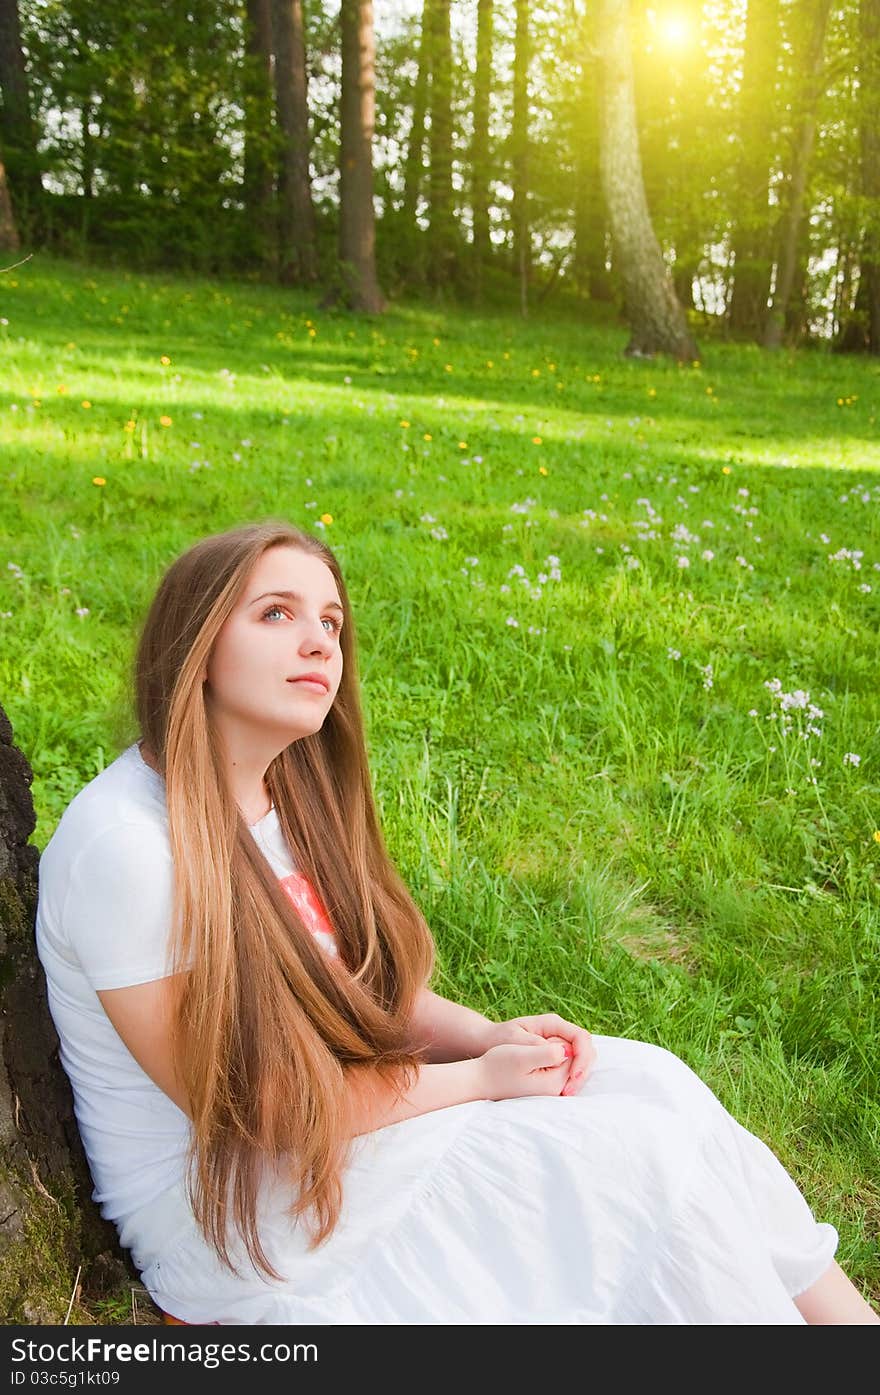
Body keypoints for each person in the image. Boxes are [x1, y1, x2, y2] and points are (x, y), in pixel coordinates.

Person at [35, 519, 878, 1326]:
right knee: (640, 1169)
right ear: (197, 649)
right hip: (241, 1225)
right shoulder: (127, 847)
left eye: (330, 619)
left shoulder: (279, 791)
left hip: (335, 1138)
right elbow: (264, 1111)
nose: (320, 641)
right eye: (276, 614)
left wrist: (486, 1035)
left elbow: (352, 992)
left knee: (649, 1081)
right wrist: (479, 1078)